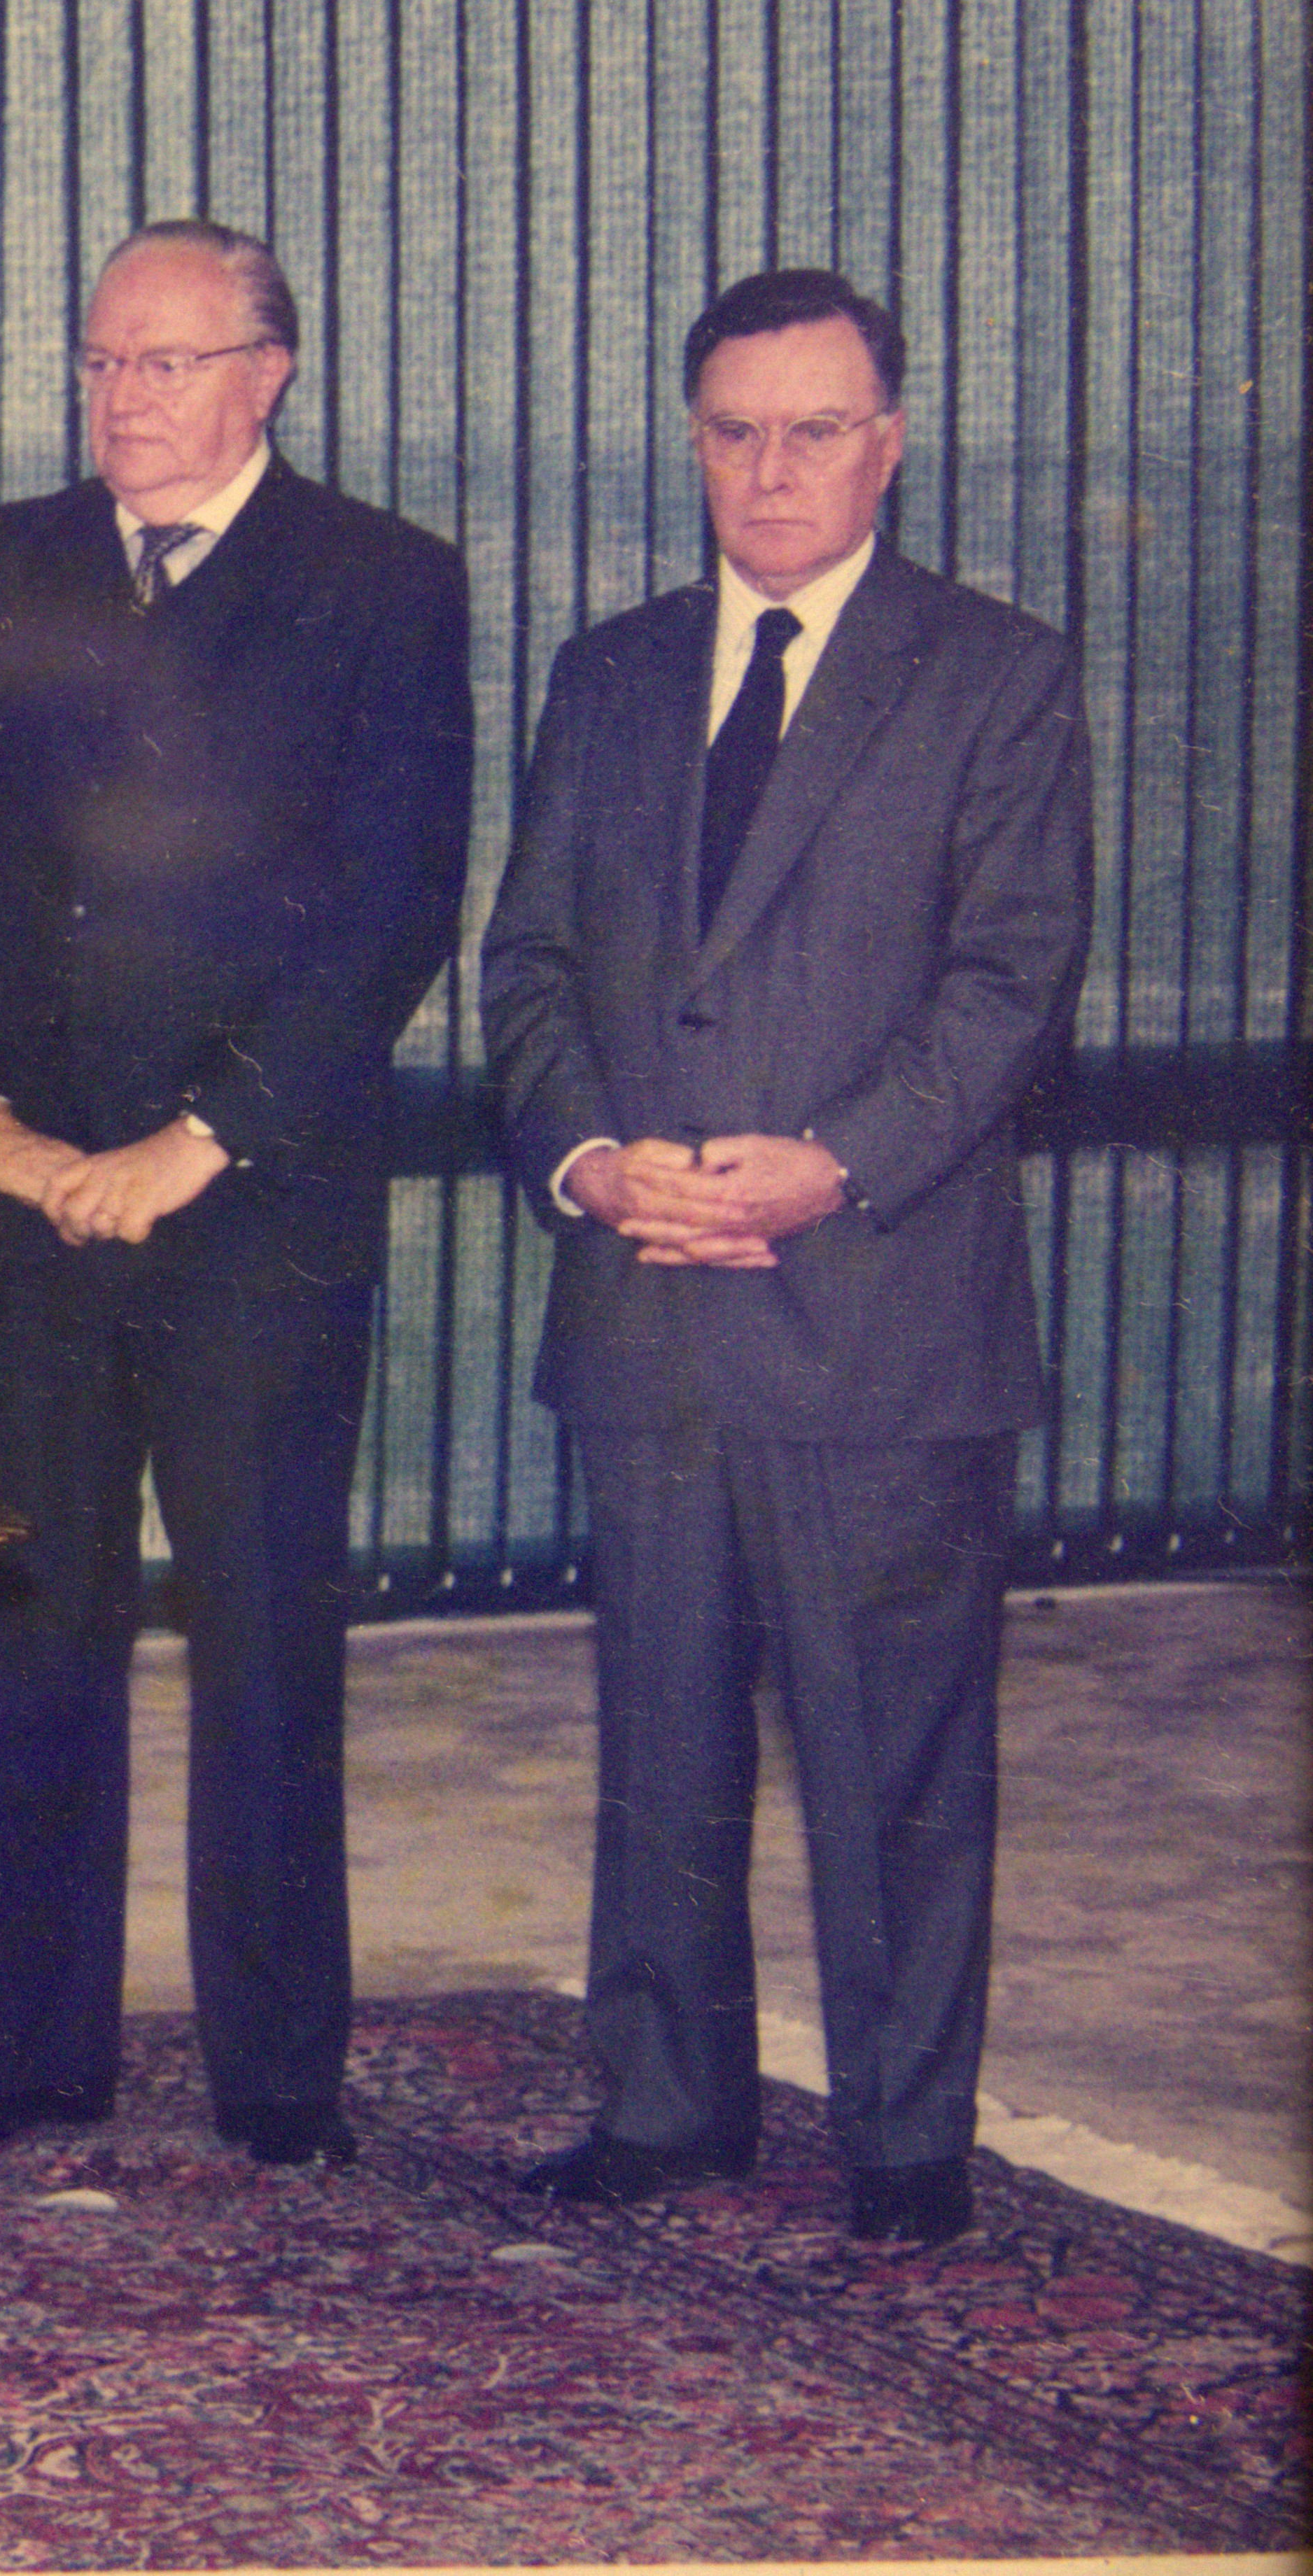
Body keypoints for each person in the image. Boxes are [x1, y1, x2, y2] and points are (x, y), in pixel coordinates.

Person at [0, 220, 472, 2169]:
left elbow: (390, 911)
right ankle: (33, 2054)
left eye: (171, 365)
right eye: (105, 363)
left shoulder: (385, 585)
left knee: (269, 1630)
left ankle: (280, 2073)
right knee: (30, 1630)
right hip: (21, 1205)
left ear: (270, 375)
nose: (126, 399)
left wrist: (197, 1144)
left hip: (254, 1205)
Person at [481, 269, 1091, 2245]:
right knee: (658, 1746)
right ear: (692, 443)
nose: (772, 467)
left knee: (895, 1758)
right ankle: (668, 2107)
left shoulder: (999, 676)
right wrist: (589, 1160)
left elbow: (1015, 988)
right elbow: (532, 968)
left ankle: (907, 2149)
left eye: (815, 428)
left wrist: (830, 1168)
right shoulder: (611, 672)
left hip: (880, 1310)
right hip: (647, 1299)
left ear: (889, 445)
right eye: (735, 429)